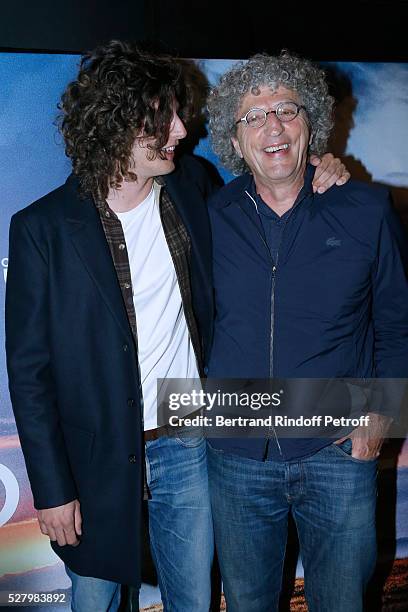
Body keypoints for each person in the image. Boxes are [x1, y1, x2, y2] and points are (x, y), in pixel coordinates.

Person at [5, 40, 349, 611]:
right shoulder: (41, 228)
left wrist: (321, 165)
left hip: (186, 434)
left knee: (192, 598)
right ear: (119, 124)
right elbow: (29, 372)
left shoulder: (194, 188)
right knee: (94, 600)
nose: (181, 130)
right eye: (164, 117)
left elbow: (276, 193)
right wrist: (52, 489)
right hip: (93, 456)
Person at [206, 51, 408, 611]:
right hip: (237, 459)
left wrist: (381, 417)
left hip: (338, 453)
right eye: (254, 115)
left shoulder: (365, 209)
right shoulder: (209, 216)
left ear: (310, 123)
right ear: (234, 136)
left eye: (287, 109)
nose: (272, 125)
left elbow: (397, 323)